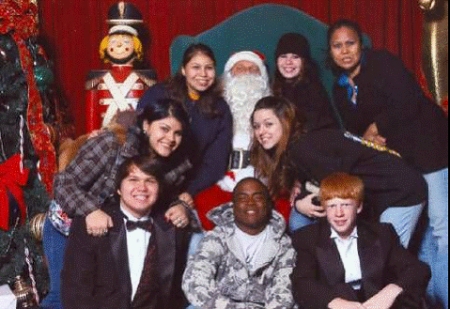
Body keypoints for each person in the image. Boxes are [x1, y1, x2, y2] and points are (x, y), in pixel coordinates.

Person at [327, 19, 448, 308]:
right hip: (398, 163)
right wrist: (369, 136)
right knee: (415, 237)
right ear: (330, 51)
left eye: (351, 43)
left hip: (429, 149)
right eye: (337, 46)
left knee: (442, 228)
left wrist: (377, 128)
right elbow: (355, 132)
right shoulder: (339, 88)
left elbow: (410, 101)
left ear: (361, 45)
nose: (345, 51)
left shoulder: (382, 63)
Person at [41, 99, 192, 309]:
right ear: (147, 125)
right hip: (66, 225)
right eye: (164, 129)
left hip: (110, 235)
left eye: (178, 133)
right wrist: (90, 210)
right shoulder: (112, 144)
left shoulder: (172, 166)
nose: (170, 139)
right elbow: (63, 183)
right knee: (62, 296)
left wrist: (180, 206)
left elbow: (158, 197)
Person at [250, 96, 427, 248]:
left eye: (268, 124)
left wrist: (298, 204)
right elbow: (321, 181)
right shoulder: (303, 142)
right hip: (394, 188)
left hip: (401, 192)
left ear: (285, 122)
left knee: (387, 257)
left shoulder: (303, 148)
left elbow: (337, 194)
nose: (261, 132)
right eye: (257, 126)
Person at [62, 156, 189, 309]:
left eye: (150, 181)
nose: (142, 187)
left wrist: (183, 206)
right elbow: (75, 293)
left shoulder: (172, 229)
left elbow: (176, 295)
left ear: (159, 189)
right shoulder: (90, 224)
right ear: (118, 189)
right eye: (133, 180)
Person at [291, 172, 431, 309]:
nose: (339, 213)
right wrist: (334, 302)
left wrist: (391, 291)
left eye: (346, 205)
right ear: (325, 209)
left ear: (358, 207)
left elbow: (418, 269)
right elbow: (302, 283)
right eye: (332, 206)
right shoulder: (307, 237)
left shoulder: (381, 233)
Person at [137, 43, 233, 217]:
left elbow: (215, 163)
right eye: (195, 67)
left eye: (209, 68)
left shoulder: (220, 109)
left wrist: (190, 191)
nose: (203, 74)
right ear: (183, 70)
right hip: (146, 177)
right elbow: (137, 135)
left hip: (187, 187)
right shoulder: (158, 94)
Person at [194, 50, 284, 231]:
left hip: (266, 181)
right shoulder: (212, 108)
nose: (247, 73)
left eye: (253, 69)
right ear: (228, 75)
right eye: (240, 68)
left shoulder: (277, 108)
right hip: (222, 181)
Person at [182, 178, 296, 309]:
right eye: (243, 198)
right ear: (233, 205)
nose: (250, 203)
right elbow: (195, 282)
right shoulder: (217, 237)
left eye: (258, 198)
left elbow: (283, 294)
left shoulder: (284, 244)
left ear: (268, 204)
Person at [85, 2, 156, 132]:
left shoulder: (145, 78)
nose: (119, 46)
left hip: (135, 136)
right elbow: (92, 114)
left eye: (125, 42)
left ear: (136, 46)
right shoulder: (96, 79)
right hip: (104, 138)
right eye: (113, 42)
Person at [273, 32, 338, 131]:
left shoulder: (313, 91)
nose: (288, 62)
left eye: (295, 57)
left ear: (304, 62)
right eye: (283, 56)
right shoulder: (275, 88)